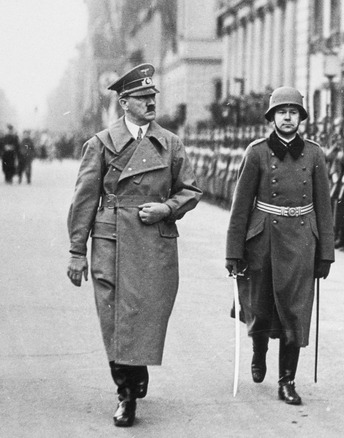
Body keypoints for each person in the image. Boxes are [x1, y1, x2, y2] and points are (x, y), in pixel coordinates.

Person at [66, 63, 202, 427]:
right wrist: (77, 251)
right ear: (124, 102)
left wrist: (166, 208)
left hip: (154, 241)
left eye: (152, 96)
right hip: (111, 239)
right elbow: (83, 201)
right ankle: (125, 393)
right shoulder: (100, 144)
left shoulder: (170, 143)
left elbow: (190, 190)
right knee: (114, 317)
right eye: (142, 98)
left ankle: (134, 370)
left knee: (145, 314)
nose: (150, 102)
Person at [225, 86, 334, 406]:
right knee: (259, 306)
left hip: (301, 240)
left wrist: (326, 252)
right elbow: (241, 205)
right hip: (263, 239)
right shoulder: (256, 152)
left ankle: (287, 381)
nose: (288, 117)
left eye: (294, 112)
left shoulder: (314, 153)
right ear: (272, 118)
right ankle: (259, 350)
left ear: (301, 118)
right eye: (281, 112)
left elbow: (323, 206)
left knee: (296, 311)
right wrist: (233, 250)